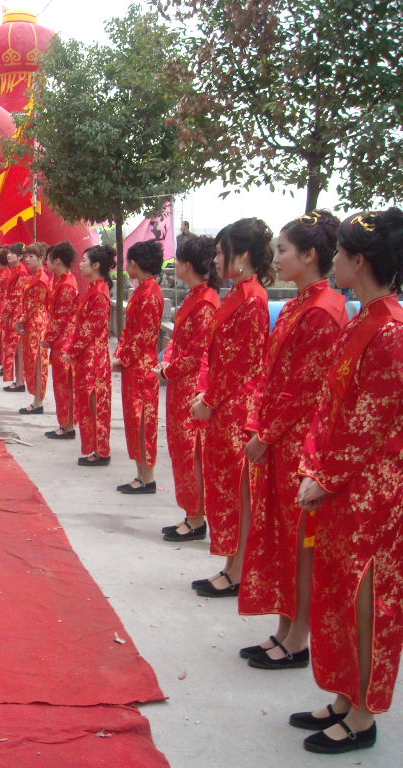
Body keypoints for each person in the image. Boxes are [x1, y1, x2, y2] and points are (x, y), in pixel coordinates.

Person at [292, 207, 403, 755]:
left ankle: (363, 714)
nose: (333, 261)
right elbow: (333, 408)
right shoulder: (365, 319)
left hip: (371, 493)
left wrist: (325, 476)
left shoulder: (390, 332)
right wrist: (316, 466)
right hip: (341, 482)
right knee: (337, 590)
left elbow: (369, 422)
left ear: (359, 261)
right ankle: (342, 693)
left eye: (339, 254)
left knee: (365, 595)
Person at [238, 211, 348, 670]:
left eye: (284, 250)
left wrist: (266, 434)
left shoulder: (323, 311)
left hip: (298, 442)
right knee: (282, 537)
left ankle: (297, 637)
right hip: (281, 438)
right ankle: (285, 626)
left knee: (300, 542)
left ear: (310, 255)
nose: (276, 258)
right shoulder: (304, 303)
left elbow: (305, 389)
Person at [190, 218, 273, 597]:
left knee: (237, 491)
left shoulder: (252, 298)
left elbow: (245, 364)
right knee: (226, 488)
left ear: (240, 256)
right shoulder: (238, 293)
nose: (217, 259)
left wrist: (210, 399)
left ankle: (238, 569)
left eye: (222, 253)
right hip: (224, 403)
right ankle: (230, 563)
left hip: (236, 408)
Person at [157, 236, 221, 542]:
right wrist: (167, 362)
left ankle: (196, 518)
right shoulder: (196, 297)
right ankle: (190, 513)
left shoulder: (207, 301)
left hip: (192, 385)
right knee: (181, 452)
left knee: (190, 452)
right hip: (180, 383)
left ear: (188, 264)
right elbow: (179, 343)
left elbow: (198, 352)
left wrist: (168, 368)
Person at [112, 240, 165, 494]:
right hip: (136, 365)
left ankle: (147, 476)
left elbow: (144, 335)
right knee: (135, 421)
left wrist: (123, 358)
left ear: (135, 264)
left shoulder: (149, 293)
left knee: (143, 421)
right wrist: (122, 355)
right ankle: (140, 473)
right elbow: (130, 332)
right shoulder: (143, 291)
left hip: (142, 368)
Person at [62, 245, 114, 467]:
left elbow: (89, 329)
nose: (80, 264)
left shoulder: (100, 293)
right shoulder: (93, 289)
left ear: (96, 266)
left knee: (95, 405)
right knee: (87, 404)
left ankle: (101, 450)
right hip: (86, 356)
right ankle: (93, 447)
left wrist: (71, 351)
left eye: (85, 260)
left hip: (93, 358)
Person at [43, 242, 79, 439]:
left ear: (57, 261)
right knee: (64, 385)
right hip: (65, 338)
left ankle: (66, 425)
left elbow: (60, 317)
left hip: (63, 340)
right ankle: (66, 423)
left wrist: (48, 339)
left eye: (48, 260)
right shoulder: (64, 280)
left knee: (63, 385)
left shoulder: (65, 285)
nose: (46, 264)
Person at [16, 243, 52, 414]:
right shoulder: (33, 277)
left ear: (41, 259)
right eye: (27, 255)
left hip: (36, 323)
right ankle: (36, 398)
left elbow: (34, 305)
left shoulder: (40, 279)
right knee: (32, 362)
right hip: (30, 322)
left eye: (32, 256)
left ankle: (38, 401)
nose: (27, 259)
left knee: (38, 362)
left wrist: (20, 320)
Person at [0, 245, 29, 391]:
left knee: (18, 348)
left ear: (20, 257)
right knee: (16, 349)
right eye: (9, 253)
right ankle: (18, 380)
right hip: (12, 312)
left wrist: (6, 314)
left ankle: (20, 381)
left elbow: (17, 295)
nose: (9, 255)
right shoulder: (14, 270)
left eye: (13, 254)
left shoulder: (21, 272)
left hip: (16, 313)